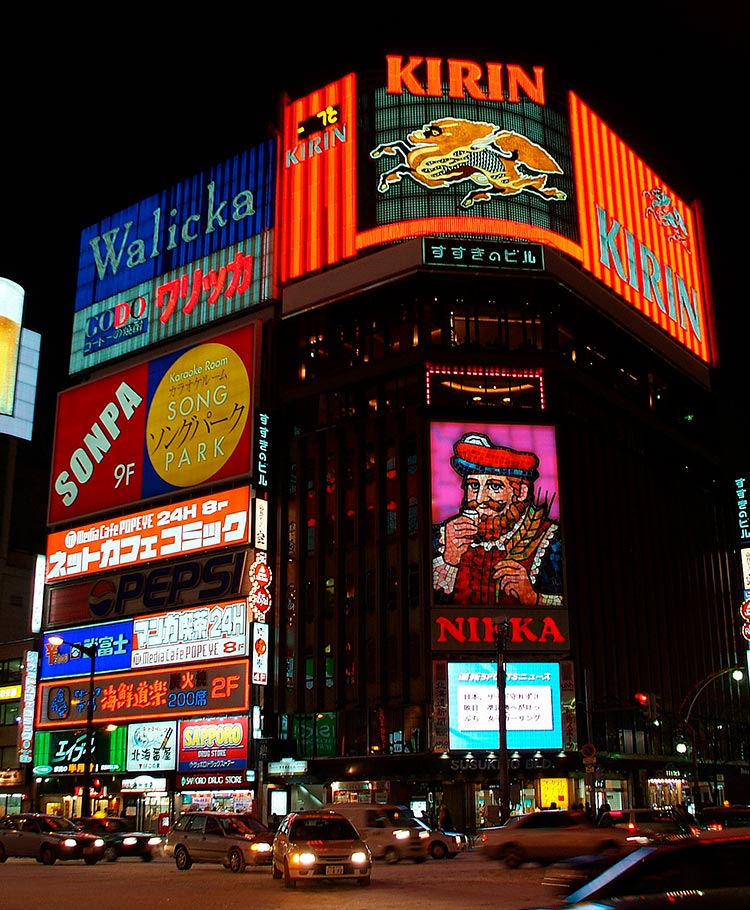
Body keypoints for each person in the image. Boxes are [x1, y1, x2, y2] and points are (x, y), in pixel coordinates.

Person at [433, 432, 563, 606]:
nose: (479, 499)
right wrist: (449, 560)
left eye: (494, 486)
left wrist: (534, 598)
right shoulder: (442, 538)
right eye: (473, 485)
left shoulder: (552, 540)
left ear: (521, 492)